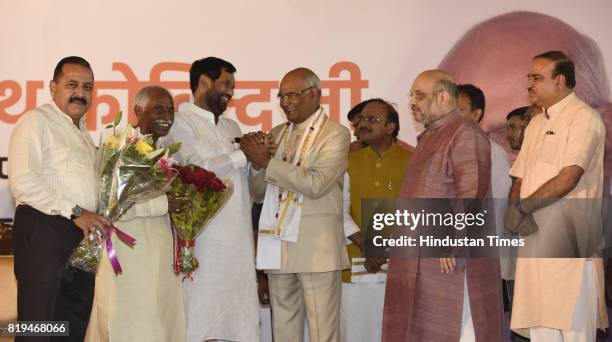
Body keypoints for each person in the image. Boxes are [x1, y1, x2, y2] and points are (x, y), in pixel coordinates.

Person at [382, 70, 503, 342]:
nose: (413, 102)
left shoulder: (465, 131)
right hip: (419, 254)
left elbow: (472, 193)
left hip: (447, 257)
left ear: (443, 96)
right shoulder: (432, 136)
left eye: (420, 95)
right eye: (412, 95)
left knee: (452, 330)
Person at [506, 51, 608, 341]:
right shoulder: (536, 123)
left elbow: (569, 177)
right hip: (534, 245)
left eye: (536, 77)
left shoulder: (584, 119)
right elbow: (520, 176)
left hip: (570, 248)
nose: (529, 84)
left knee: (574, 332)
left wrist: (522, 210)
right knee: (541, 333)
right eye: (528, 77)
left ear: (560, 81)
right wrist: (514, 210)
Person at [243, 67, 350, 342]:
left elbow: (317, 184)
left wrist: (268, 163)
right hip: (278, 246)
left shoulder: (336, 134)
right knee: (284, 330)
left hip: (317, 249)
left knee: (323, 332)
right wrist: (256, 164)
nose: (284, 102)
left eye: (292, 95)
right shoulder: (277, 133)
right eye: (281, 97)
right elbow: (257, 194)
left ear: (314, 93)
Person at [8, 56, 109, 341]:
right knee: (39, 323)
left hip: (82, 235)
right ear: (53, 87)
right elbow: (24, 182)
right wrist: (77, 211)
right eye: (72, 85)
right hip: (44, 230)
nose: (80, 93)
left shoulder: (85, 134)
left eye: (87, 87)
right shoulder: (36, 121)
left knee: (73, 321)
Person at [161, 57, 259, 342]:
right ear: (203, 82)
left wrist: (261, 161)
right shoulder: (179, 123)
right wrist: (244, 155)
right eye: (226, 84)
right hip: (202, 244)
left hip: (239, 246)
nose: (231, 91)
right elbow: (196, 170)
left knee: (238, 324)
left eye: (233, 86)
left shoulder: (233, 128)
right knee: (200, 322)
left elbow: (247, 182)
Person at [86, 86, 185, 341]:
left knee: (159, 326)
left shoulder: (166, 152)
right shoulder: (119, 147)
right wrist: (164, 204)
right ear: (138, 111)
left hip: (159, 257)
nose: (167, 115)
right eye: (158, 109)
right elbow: (111, 207)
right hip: (128, 256)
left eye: (170, 109)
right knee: (128, 326)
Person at [340, 98, 412, 342]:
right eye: (361, 120)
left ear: (391, 127)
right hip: (356, 263)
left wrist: (384, 248)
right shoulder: (347, 161)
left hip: (400, 266)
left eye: (373, 120)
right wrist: (367, 244)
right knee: (354, 333)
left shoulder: (412, 161)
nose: (363, 124)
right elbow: (338, 210)